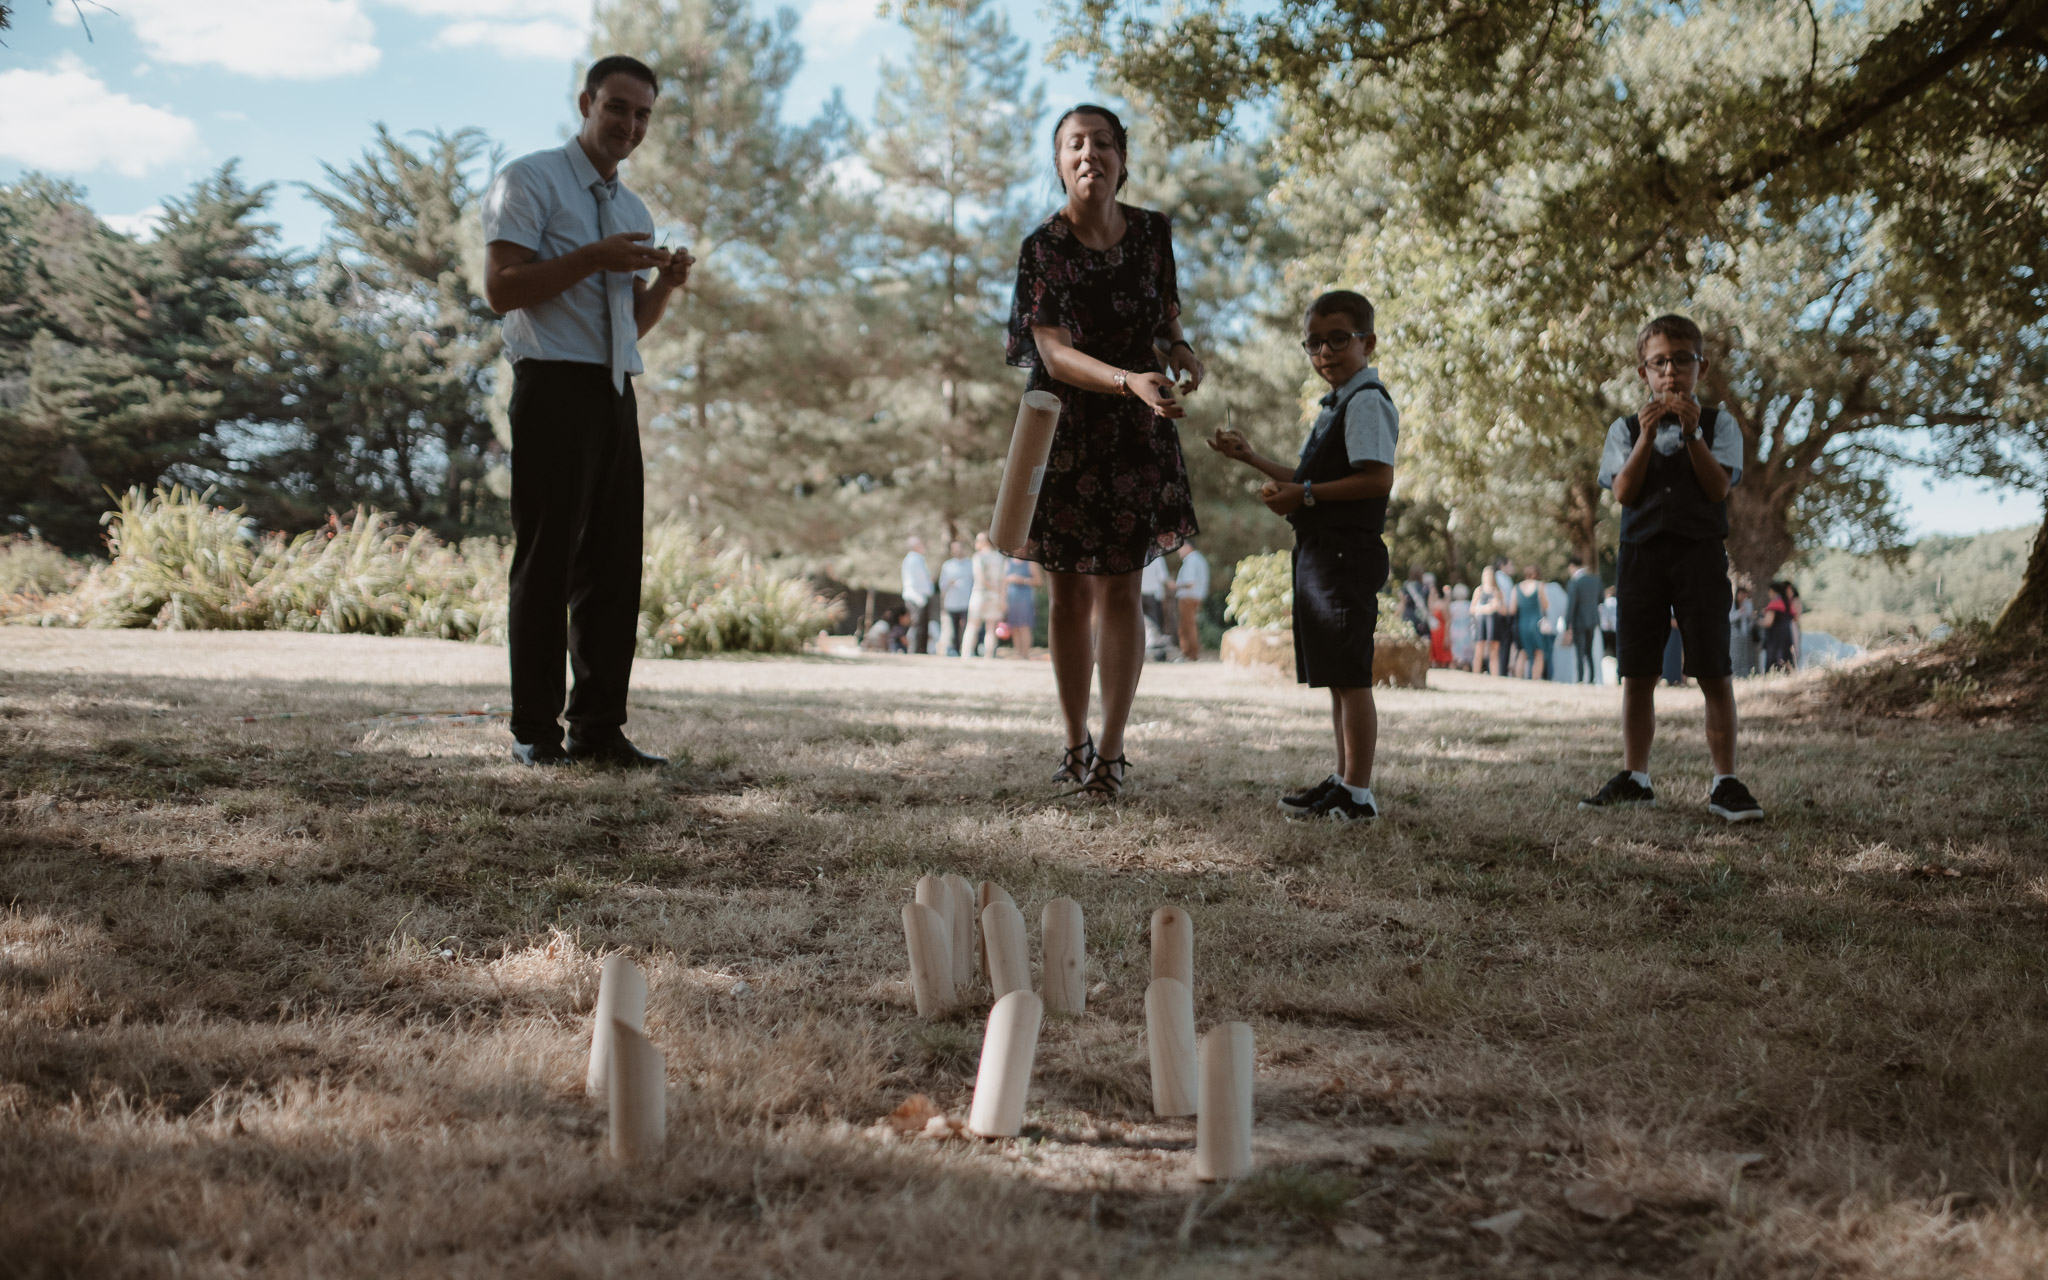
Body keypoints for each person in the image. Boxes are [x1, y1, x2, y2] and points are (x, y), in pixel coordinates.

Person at [482, 54, 694, 768]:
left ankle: (598, 730)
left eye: (642, 116)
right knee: (547, 563)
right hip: (550, 386)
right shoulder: (530, 179)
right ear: (586, 102)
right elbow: (502, 288)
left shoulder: (633, 212)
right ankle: (535, 733)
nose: (630, 126)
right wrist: (593, 257)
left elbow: (626, 321)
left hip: (612, 391)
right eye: (618, 109)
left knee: (612, 567)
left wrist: (663, 285)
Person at [1006, 104, 1203, 797]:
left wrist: (1180, 353)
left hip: (1137, 431)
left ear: (1123, 157)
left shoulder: (1153, 233)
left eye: (1102, 143)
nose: (1089, 153)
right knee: (1067, 596)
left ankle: (1111, 756)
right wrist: (1130, 380)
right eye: (1074, 144)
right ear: (1059, 161)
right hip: (1067, 430)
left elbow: (1166, 316)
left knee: (1123, 588)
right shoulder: (1043, 248)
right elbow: (1053, 355)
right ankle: (1072, 743)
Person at [1208, 288, 1397, 822]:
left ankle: (1358, 794)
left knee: (1352, 678)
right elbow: (1310, 477)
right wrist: (1252, 459)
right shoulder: (1336, 405)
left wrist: (1306, 497)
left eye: (1339, 339)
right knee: (1336, 675)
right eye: (1313, 344)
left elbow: (1376, 478)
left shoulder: (1366, 402)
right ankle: (1343, 779)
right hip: (1321, 554)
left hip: (1345, 554)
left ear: (1368, 342)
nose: (1325, 353)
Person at [1580, 313, 1763, 823]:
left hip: (1700, 556)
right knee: (1637, 672)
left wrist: (1692, 435)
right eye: (1659, 363)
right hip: (1640, 557)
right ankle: (1636, 776)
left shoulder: (1718, 425)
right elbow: (1623, 492)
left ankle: (1725, 780)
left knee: (1713, 668)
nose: (1670, 373)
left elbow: (1717, 488)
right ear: (1643, 372)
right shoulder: (1623, 429)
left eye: (1682, 361)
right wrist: (1644, 438)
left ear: (1699, 368)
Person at [962, 532, 1006, 660]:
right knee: (991, 627)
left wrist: (991, 588)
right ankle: (988, 655)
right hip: (996, 595)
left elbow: (980, 577)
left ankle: (966, 653)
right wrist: (1001, 596)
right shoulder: (1000, 558)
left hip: (980, 593)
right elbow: (1003, 580)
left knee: (972, 625)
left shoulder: (978, 557)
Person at [1562, 555, 1603, 684]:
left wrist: (1566, 625)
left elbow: (1571, 605)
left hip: (1579, 620)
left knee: (1579, 651)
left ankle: (1580, 678)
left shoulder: (1574, 582)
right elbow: (1601, 599)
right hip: (1593, 619)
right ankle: (1591, 678)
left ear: (1572, 566)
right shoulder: (1596, 580)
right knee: (1589, 651)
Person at [1175, 538, 1210, 661]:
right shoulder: (1199, 559)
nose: (1179, 551)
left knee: (1187, 626)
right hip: (1196, 596)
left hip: (1188, 597)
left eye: (1181, 547)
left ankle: (1189, 654)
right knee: (1190, 625)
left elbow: (1189, 582)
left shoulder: (1191, 560)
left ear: (1188, 547)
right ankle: (1191, 653)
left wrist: (1174, 585)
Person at [1004, 556, 1043, 659]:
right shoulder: (1008, 562)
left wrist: (1022, 580)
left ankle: (1025, 655)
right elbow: (1003, 581)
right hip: (1011, 600)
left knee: (1024, 627)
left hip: (1026, 600)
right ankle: (1018, 654)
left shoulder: (1030, 563)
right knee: (1014, 628)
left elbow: (1039, 582)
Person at [938, 540, 972, 656]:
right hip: (952, 602)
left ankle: (969, 649)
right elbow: (941, 584)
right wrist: (947, 583)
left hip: (967, 602)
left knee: (967, 627)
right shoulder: (947, 565)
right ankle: (955, 650)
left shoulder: (970, 564)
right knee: (953, 629)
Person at [901, 536, 934, 655]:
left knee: (922, 626)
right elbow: (914, 580)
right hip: (916, 597)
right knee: (917, 626)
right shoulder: (913, 559)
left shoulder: (916, 559)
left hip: (919, 597)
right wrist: (918, 597)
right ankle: (915, 650)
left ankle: (921, 650)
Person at [1514, 564, 1548, 680]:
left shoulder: (1517, 587)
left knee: (1523, 651)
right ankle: (1535, 679)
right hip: (1536, 621)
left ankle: (1518, 678)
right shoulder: (1539, 586)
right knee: (1539, 652)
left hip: (1522, 622)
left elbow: (1512, 609)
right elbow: (1545, 605)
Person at [1140, 554, 1175, 660]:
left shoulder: (1136, 553)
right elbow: (1163, 577)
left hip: (1139, 595)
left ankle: (1141, 653)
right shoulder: (1157, 557)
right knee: (1155, 625)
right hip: (1153, 596)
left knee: (1140, 624)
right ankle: (1158, 654)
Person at [1471, 568, 1505, 676]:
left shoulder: (1497, 592)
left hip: (1494, 622)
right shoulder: (1479, 590)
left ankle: (1494, 675)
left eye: (1490, 575)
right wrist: (1485, 608)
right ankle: (1475, 674)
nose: (1488, 577)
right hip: (1481, 622)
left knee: (1494, 651)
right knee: (1479, 649)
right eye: (1485, 575)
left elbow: (1505, 610)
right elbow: (1472, 609)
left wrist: (1497, 605)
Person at [1761, 581, 1797, 672]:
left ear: (1773, 591)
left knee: (1775, 662)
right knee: (1786, 660)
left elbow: (1768, 622)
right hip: (1787, 635)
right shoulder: (1787, 603)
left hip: (1775, 638)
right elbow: (1795, 617)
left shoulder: (1774, 603)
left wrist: (1759, 622)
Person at [1729, 584, 1760, 677]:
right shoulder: (1732, 604)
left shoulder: (1748, 604)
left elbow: (1751, 618)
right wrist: (1739, 612)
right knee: (1735, 655)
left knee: (1746, 655)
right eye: (1741, 594)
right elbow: (1729, 618)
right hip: (1734, 635)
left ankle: (1746, 674)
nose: (1743, 597)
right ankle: (1735, 673)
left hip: (1746, 633)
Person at [1400, 565, 1431, 640]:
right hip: (1422, 620)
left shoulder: (1406, 586)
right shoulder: (1425, 587)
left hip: (1409, 618)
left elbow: (1403, 604)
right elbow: (1429, 605)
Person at [1448, 583, 1474, 670]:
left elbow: (1449, 620)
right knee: (1466, 657)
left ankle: (1453, 670)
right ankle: (1465, 669)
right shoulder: (1469, 605)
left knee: (1455, 654)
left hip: (1455, 631)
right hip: (1466, 631)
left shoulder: (1452, 606)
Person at [1428, 580, 1453, 668]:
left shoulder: (1442, 605)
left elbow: (1448, 621)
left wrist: (1447, 637)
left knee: (1442, 658)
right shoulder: (1429, 605)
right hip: (1432, 633)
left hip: (1441, 633)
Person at [1599, 586, 1619, 677]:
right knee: (1616, 654)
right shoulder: (1616, 602)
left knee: (1604, 653)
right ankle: (1618, 676)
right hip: (1615, 630)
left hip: (1606, 630)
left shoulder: (1605, 603)